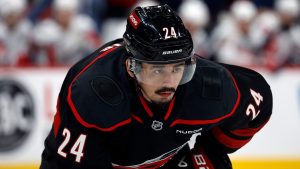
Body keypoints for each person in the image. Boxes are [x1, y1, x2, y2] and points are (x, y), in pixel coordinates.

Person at [40, 4, 272, 169]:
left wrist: (210, 151)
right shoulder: (92, 94)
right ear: (132, 67)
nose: (170, 82)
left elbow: (259, 99)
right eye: (158, 69)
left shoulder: (208, 85)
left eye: (177, 68)